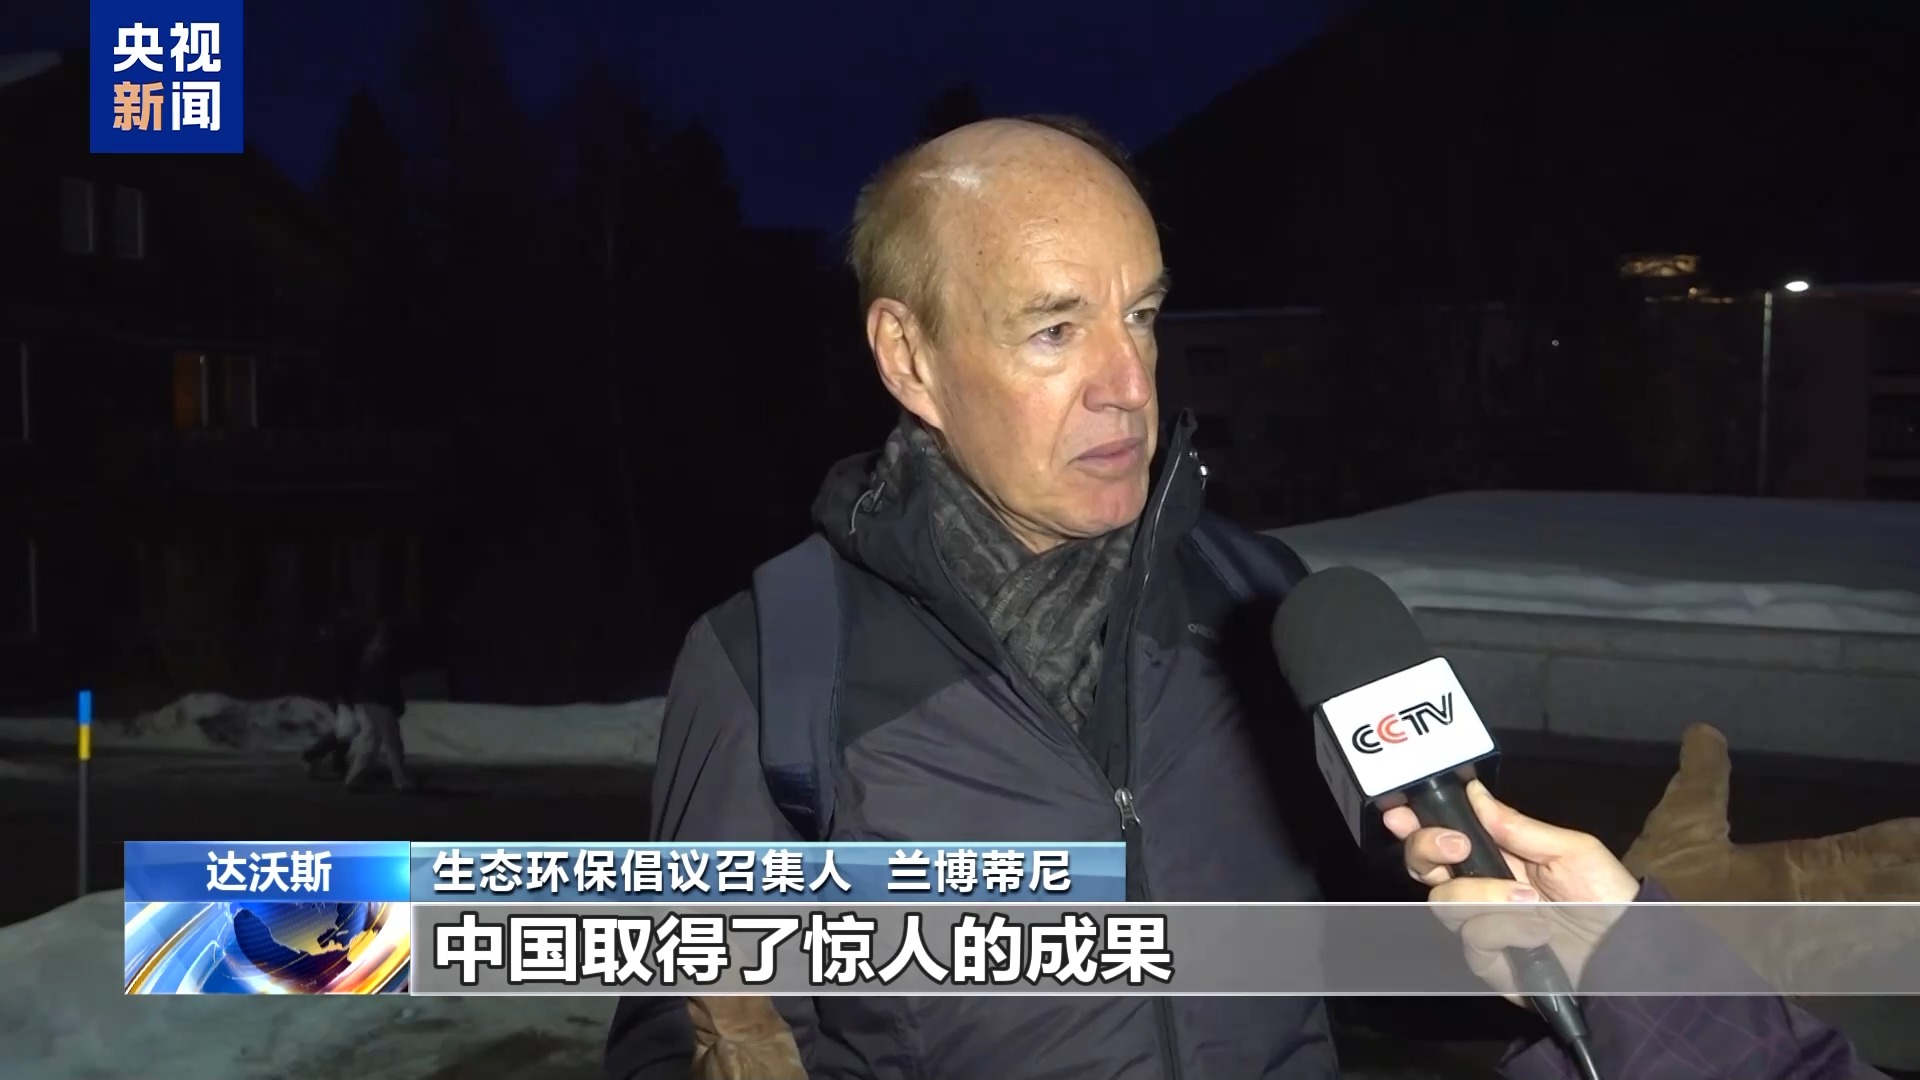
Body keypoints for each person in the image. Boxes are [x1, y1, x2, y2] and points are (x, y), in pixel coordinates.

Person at [605, 117, 1889, 1080]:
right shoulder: (774, 664)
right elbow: (684, 1032)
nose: (1128, 382)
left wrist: (1596, 964)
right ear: (910, 357)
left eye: (1143, 316)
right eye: (1055, 329)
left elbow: (1379, 963)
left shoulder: (1265, 602)